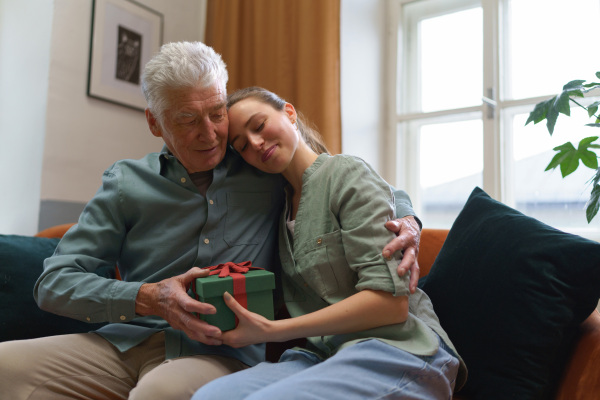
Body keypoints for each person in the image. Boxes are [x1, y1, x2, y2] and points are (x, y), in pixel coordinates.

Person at [0, 42, 422, 400]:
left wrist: (408, 220)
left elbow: (344, 177)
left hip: (219, 350)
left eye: (217, 113)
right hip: (124, 341)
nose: (210, 134)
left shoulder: (259, 163)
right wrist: (147, 298)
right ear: (154, 122)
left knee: (157, 394)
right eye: (187, 119)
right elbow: (53, 283)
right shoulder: (126, 183)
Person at [191, 87, 467, 400]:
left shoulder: (344, 173)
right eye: (242, 146)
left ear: (290, 113)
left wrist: (272, 331)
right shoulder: (277, 207)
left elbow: (391, 304)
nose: (255, 144)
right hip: (326, 355)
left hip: (400, 348)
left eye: (259, 126)